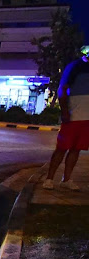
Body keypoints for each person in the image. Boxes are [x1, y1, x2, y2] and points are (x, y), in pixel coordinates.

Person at [43, 46, 89, 191]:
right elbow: (62, 89)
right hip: (73, 115)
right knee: (62, 148)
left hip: (86, 118)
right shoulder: (75, 66)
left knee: (76, 150)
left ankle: (67, 179)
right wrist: (64, 111)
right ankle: (49, 179)